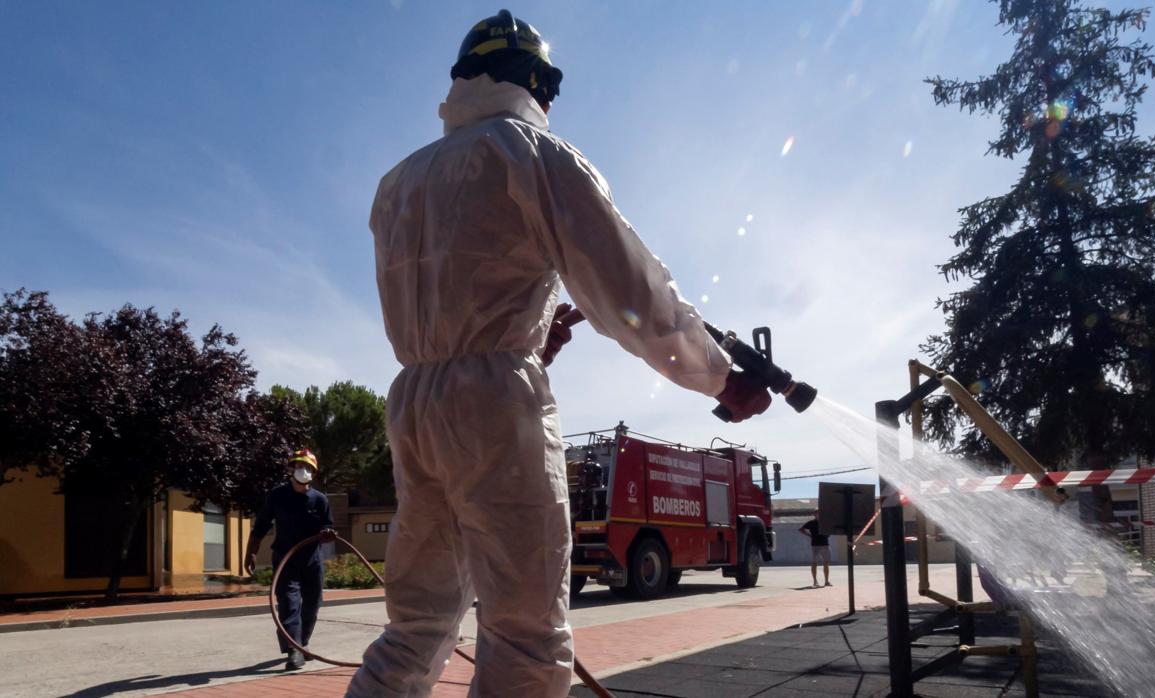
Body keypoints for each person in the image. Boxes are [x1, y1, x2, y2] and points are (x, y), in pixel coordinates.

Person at [346, 9, 771, 697]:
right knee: (525, 631)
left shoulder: (397, 185)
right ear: (537, 81)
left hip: (415, 404)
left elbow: (452, 298)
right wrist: (718, 376)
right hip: (494, 405)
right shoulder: (532, 155)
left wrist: (527, 339)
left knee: (418, 622)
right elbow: (632, 293)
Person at [245, 449, 336, 671]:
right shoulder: (277, 496)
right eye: (297, 466)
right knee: (289, 603)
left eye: (306, 467)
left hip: (311, 559)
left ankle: (302, 644)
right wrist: (251, 551)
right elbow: (261, 525)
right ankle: (293, 650)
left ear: (313, 472)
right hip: (285, 559)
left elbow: (328, 525)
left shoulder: (320, 499)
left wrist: (326, 532)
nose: (302, 470)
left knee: (312, 604)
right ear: (290, 469)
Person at [799, 517, 832, 587]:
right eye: (817, 513)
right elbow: (801, 529)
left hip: (825, 544)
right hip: (815, 545)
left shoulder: (825, 522)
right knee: (814, 563)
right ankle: (815, 581)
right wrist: (809, 535)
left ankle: (826, 581)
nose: (819, 514)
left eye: (820, 513)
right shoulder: (811, 523)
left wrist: (827, 535)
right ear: (815, 514)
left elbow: (831, 529)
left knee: (826, 562)